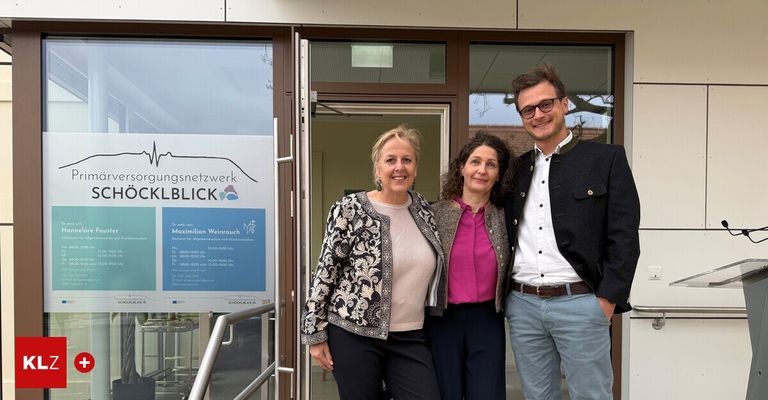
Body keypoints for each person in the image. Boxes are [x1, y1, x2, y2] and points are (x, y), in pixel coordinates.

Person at [503, 63, 641, 400]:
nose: (538, 115)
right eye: (528, 110)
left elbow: (624, 235)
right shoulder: (516, 171)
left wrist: (607, 300)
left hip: (581, 302)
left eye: (545, 104)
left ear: (564, 104)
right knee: (538, 396)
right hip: (523, 305)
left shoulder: (606, 159)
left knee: (591, 395)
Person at [300, 125, 443, 400]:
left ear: (415, 168)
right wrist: (314, 335)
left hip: (410, 336)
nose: (399, 167)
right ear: (377, 169)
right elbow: (325, 272)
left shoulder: (423, 209)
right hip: (354, 334)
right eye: (390, 160)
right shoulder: (350, 208)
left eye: (407, 160)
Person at [426, 132, 513, 400]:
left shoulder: (507, 217)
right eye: (475, 162)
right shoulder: (432, 214)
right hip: (442, 320)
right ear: (462, 167)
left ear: (499, 174)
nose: (482, 170)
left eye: (491, 164)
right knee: (444, 394)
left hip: (488, 320)